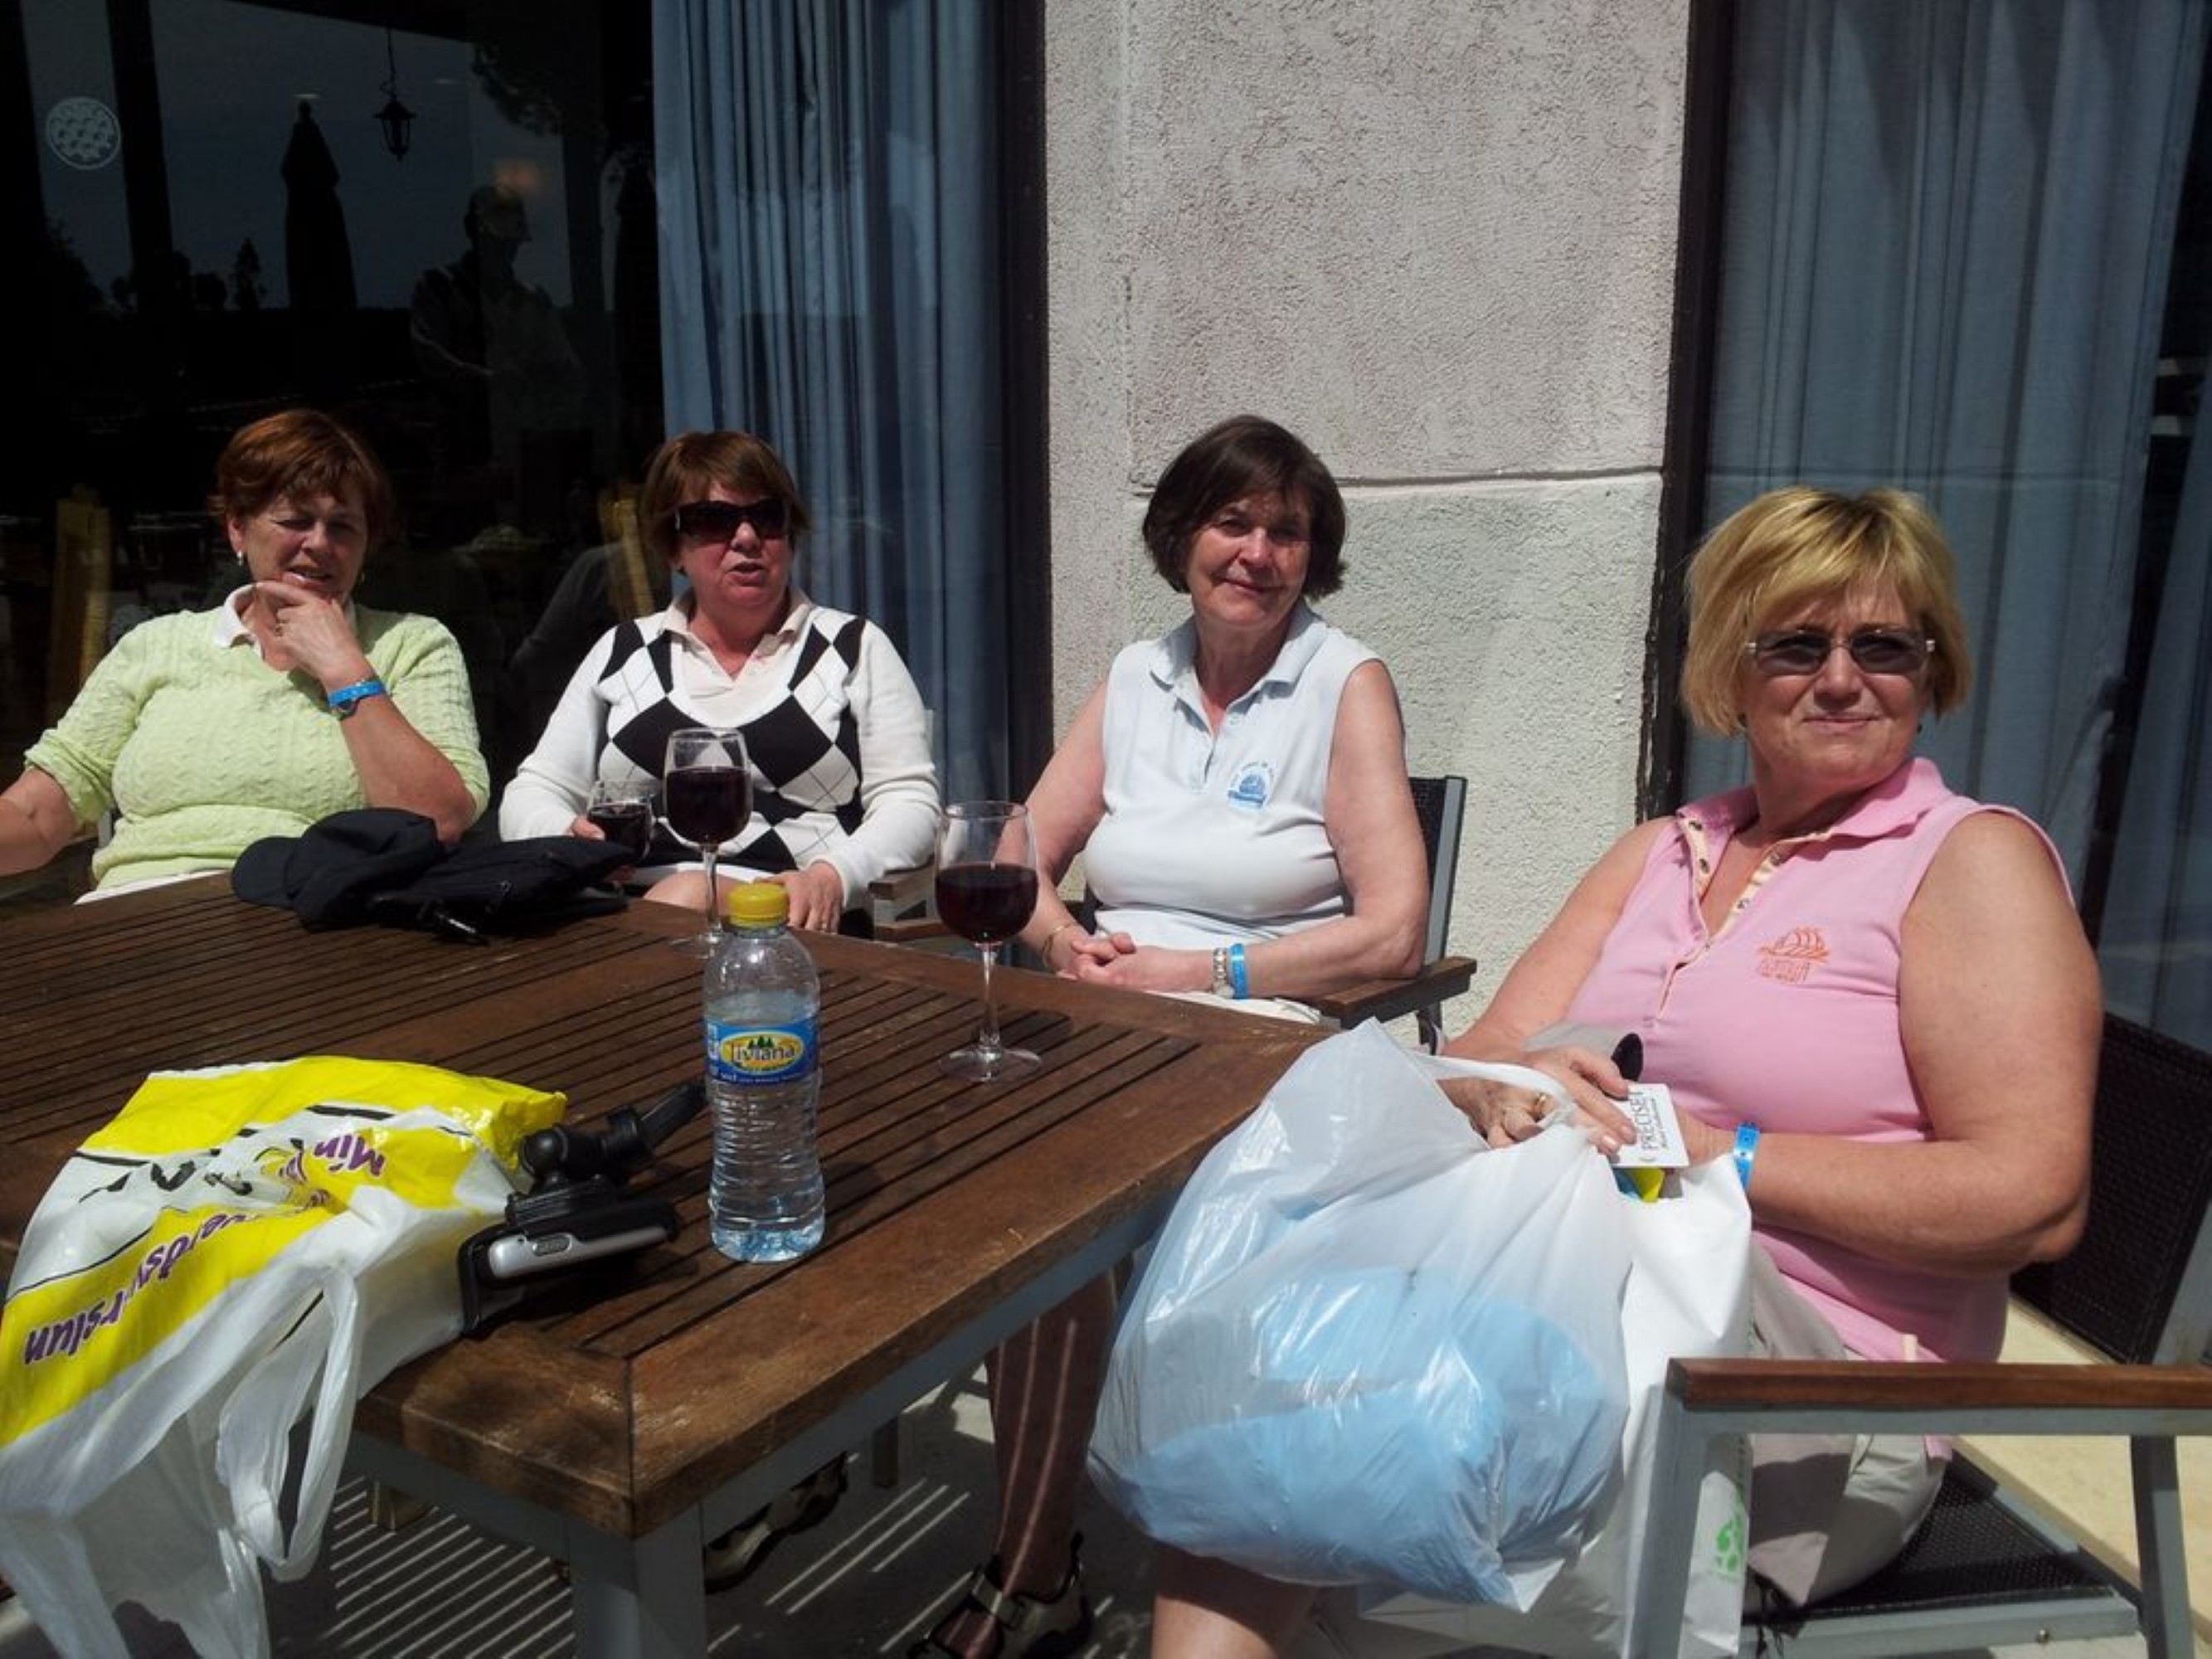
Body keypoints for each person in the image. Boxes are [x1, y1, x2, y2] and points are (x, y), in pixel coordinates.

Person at [1149, 485, 2102, 1657]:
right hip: (1581, 1299)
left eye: (1884, 648)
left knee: (1325, 1463)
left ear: (1931, 667)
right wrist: (1494, 1088)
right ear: (1730, 667)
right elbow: (1487, 1053)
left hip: (1807, 1396)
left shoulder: (1966, 862)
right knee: (1277, 1403)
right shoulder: (1665, 849)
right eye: (1797, 645)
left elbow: (2031, 1199)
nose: (1842, 679)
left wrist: (1716, 1155)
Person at [915, 415, 1428, 1658]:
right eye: (1231, 521)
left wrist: (1205, 967)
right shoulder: (1136, 677)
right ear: (1181, 537)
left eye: (1285, 531)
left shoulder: (1343, 683)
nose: (1256, 552)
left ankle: (1035, 1575)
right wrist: (1063, 944)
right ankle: (984, 1528)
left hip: (1262, 1036)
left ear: (1312, 556)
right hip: (1111, 1017)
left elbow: (1393, 935)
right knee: (966, 1172)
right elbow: (1018, 852)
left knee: (1051, 1217)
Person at [0, 410, 489, 896]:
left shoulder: (411, 646)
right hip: (135, 914)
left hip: (308, 915)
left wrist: (344, 668)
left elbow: (438, 820)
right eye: (295, 520)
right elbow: (37, 815)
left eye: (343, 527)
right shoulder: (156, 646)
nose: (319, 543)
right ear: (238, 528)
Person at [498, 430, 938, 932]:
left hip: (792, 923)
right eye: (714, 520)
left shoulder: (851, 648)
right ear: (673, 549)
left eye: (768, 517)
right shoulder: (624, 652)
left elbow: (911, 802)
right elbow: (534, 790)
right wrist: (568, 838)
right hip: (625, 911)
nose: (747, 538)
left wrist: (835, 875)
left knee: (686, 897)